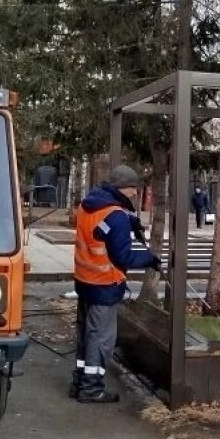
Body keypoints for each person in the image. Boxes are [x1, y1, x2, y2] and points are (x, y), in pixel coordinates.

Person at [71, 165, 160, 403]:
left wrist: (128, 222)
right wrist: (150, 259)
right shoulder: (115, 216)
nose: (135, 194)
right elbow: (123, 257)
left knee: (85, 334)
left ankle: (79, 381)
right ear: (123, 188)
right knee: (100, 339)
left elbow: (100, 230)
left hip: (85, 282)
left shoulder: (88, 206)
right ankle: (91, 389)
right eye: (134, 189)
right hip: (105, 285)